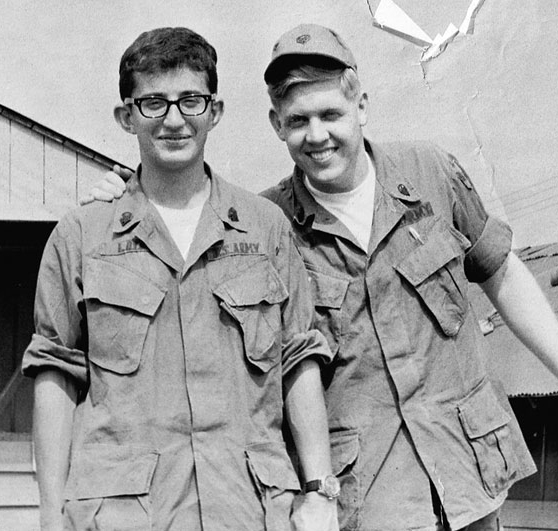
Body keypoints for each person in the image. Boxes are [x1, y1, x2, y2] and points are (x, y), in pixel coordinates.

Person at [89, 23, 558, 531]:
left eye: (330, 114)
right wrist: (124, 201)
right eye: (298, 121)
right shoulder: (264, 227)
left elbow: (503, 277)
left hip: (470, 479)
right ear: (277, 125)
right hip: (367, 501)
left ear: (361, 105)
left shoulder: (431, 174)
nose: (317, 136)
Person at [23, 27, 339, 531]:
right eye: (153, 103)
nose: (174, 120)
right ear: (126, 117)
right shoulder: (82, 235)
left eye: (191, 100)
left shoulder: (264, 227)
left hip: (251, 509)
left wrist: (320, 492)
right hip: (124, 514)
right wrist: (49, 514)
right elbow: (54, 371)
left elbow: (298, 360)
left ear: (214, 111)